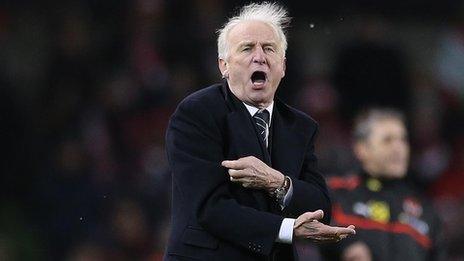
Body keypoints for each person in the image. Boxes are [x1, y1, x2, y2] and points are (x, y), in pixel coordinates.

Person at [164, 2, 355, 261]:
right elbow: (210, 208)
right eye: (246, 48)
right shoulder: (197, 113)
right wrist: (287, 228)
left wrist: (277, 182)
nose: (259, 56)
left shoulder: (299, 126)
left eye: (269, 48)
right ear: (224, 66)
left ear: (283, 65)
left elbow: (320, 206)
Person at [322, 108, 445, 261]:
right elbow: (303, 233)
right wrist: (346, 245)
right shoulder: (334, 192)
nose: (398, 148)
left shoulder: (426, 211)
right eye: (388, 140)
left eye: (403, 139)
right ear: (362, 149)